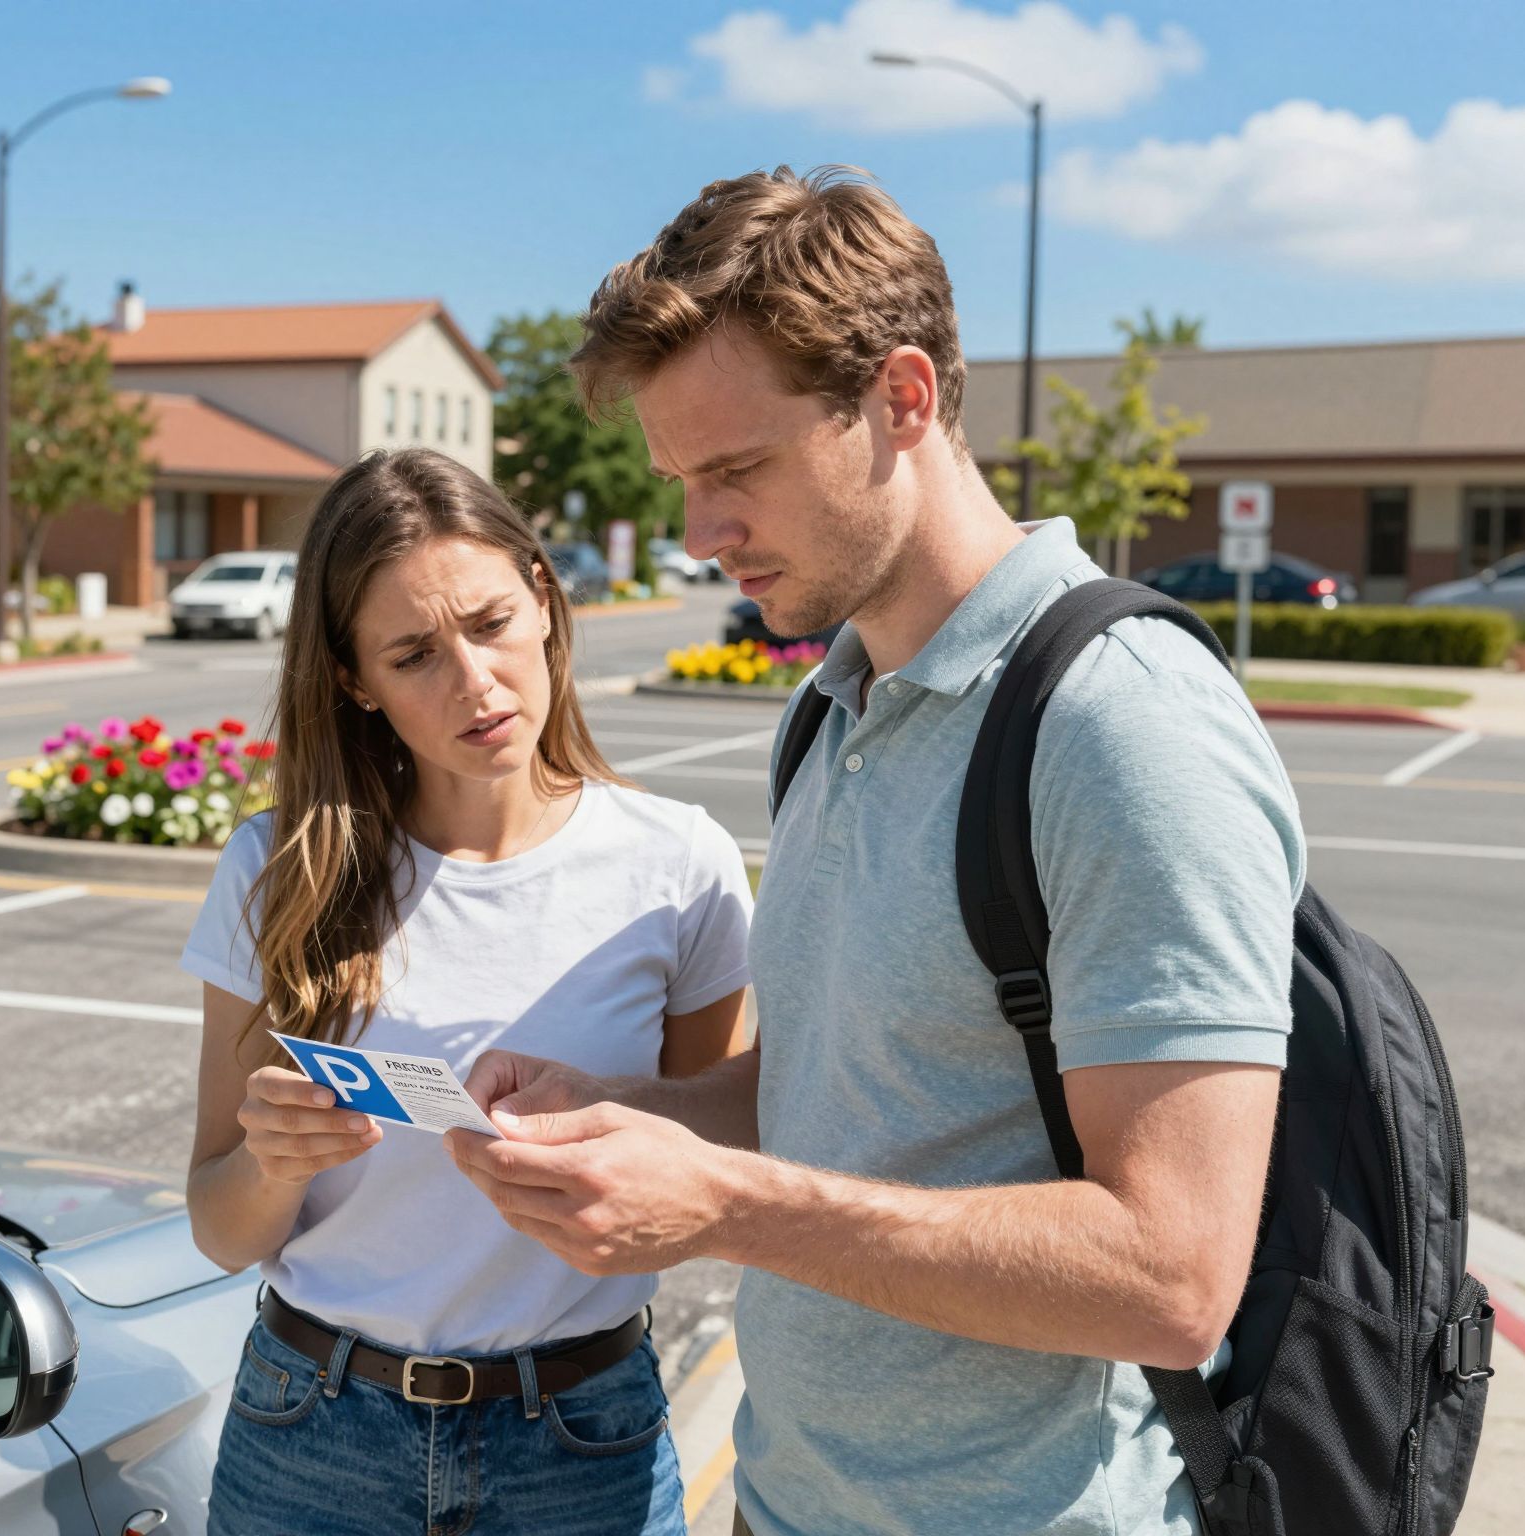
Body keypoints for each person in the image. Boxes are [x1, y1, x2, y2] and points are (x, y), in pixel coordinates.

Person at [447, 166, 1305, 1536]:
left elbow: (1171, 1273)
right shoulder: (831, 704)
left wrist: (719, 1205)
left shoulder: (1117, 721)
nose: (700, 535)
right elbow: (852, 1082)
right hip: (790, 1503)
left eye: (736, 469)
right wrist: (630, 1117)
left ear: (904, 400)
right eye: (680, 482)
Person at [183, 447, 754, 1536]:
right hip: (311, 1434)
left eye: (490, 623)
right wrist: (267, 1161)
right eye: (412, 654)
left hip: (580, 1442)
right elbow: (218, 1228)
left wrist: (606, 1152)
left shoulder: (676, 862)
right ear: (354, 680)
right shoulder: (280, 866)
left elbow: (720, 1185)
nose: (475, 684)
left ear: (542, 596)